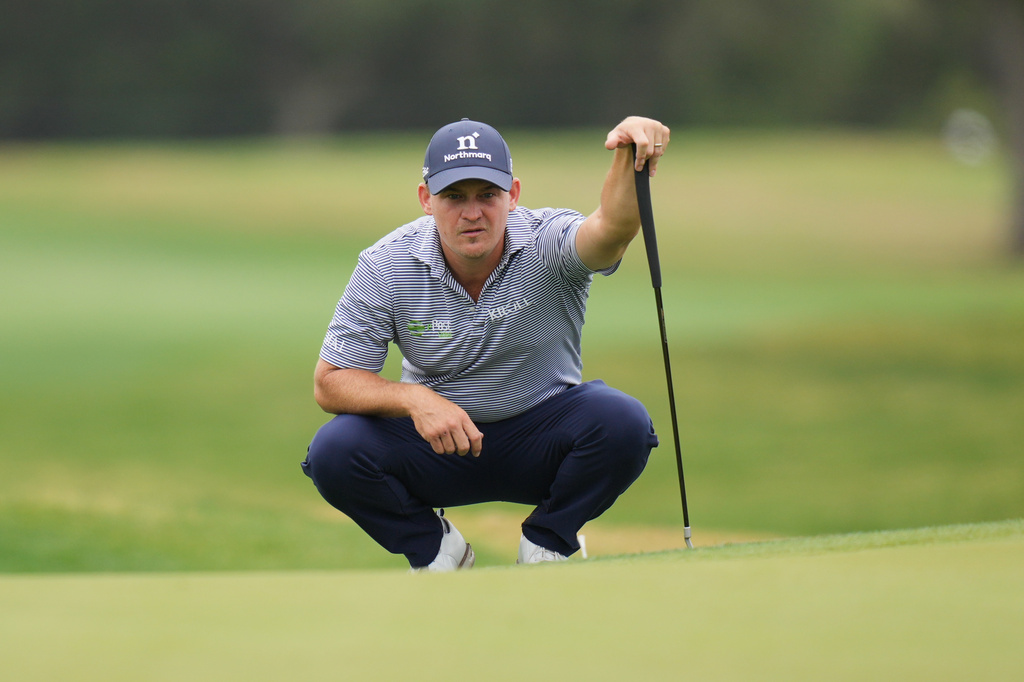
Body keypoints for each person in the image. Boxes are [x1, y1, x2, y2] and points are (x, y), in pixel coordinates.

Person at [303, 116, 669, 571]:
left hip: (541, 439)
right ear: (426, 200)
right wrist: (416, 399)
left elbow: (610, 232)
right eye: (454, 197)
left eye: (487, 196)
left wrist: (627, 155)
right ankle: (437, 551)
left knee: (622, 422)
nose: (472, 213)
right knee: (335, 451)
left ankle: (547, 542)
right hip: (437, 447)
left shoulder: (547, 242)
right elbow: (330, 383)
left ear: (512, 195)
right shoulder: (387, 264)